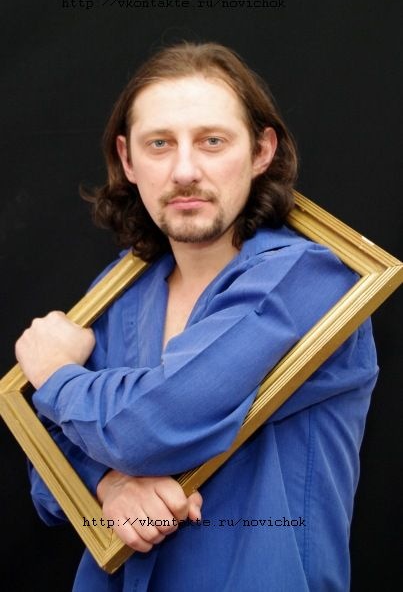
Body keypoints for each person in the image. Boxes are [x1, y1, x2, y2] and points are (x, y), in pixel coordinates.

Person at [16, 42, 378, 591]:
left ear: (261, 151)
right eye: (159, 144)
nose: (184, 170)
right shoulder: (119, 291)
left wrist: (56, 376)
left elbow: (148, 427)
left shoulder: (307, 280)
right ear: (128, 160)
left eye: (212, 141)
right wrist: (109, 484)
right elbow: (45, 468)